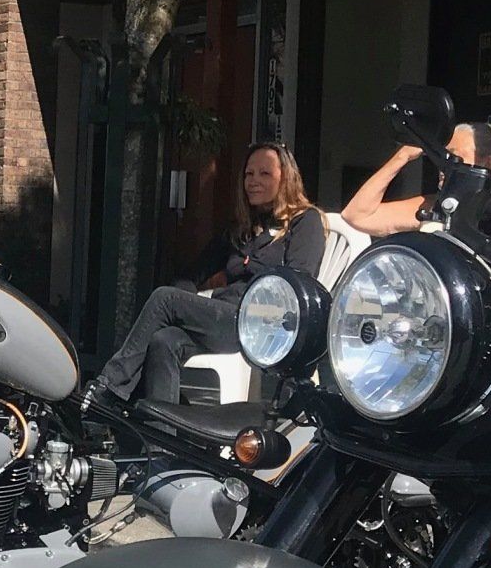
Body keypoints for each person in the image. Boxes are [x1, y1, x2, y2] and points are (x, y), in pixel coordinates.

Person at [87, 142, 326, 413]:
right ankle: (162, 440)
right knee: (163, 340)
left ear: (286, 179)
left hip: (260, 325)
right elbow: (193, 274)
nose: (253, 181)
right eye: (248, 174)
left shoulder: (305, 222)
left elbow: (298, 284)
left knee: (164, 299)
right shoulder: (241, 230)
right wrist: (190, 309)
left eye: (264, 174)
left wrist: (181, 303)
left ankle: (109, 388)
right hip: (222, 318)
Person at [340, 121, 491, 238]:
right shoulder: (434, 206)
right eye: (442, 156)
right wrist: (403, 156)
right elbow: (356, 215)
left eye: (454, 157)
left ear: (486, 162)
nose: (443, 165)